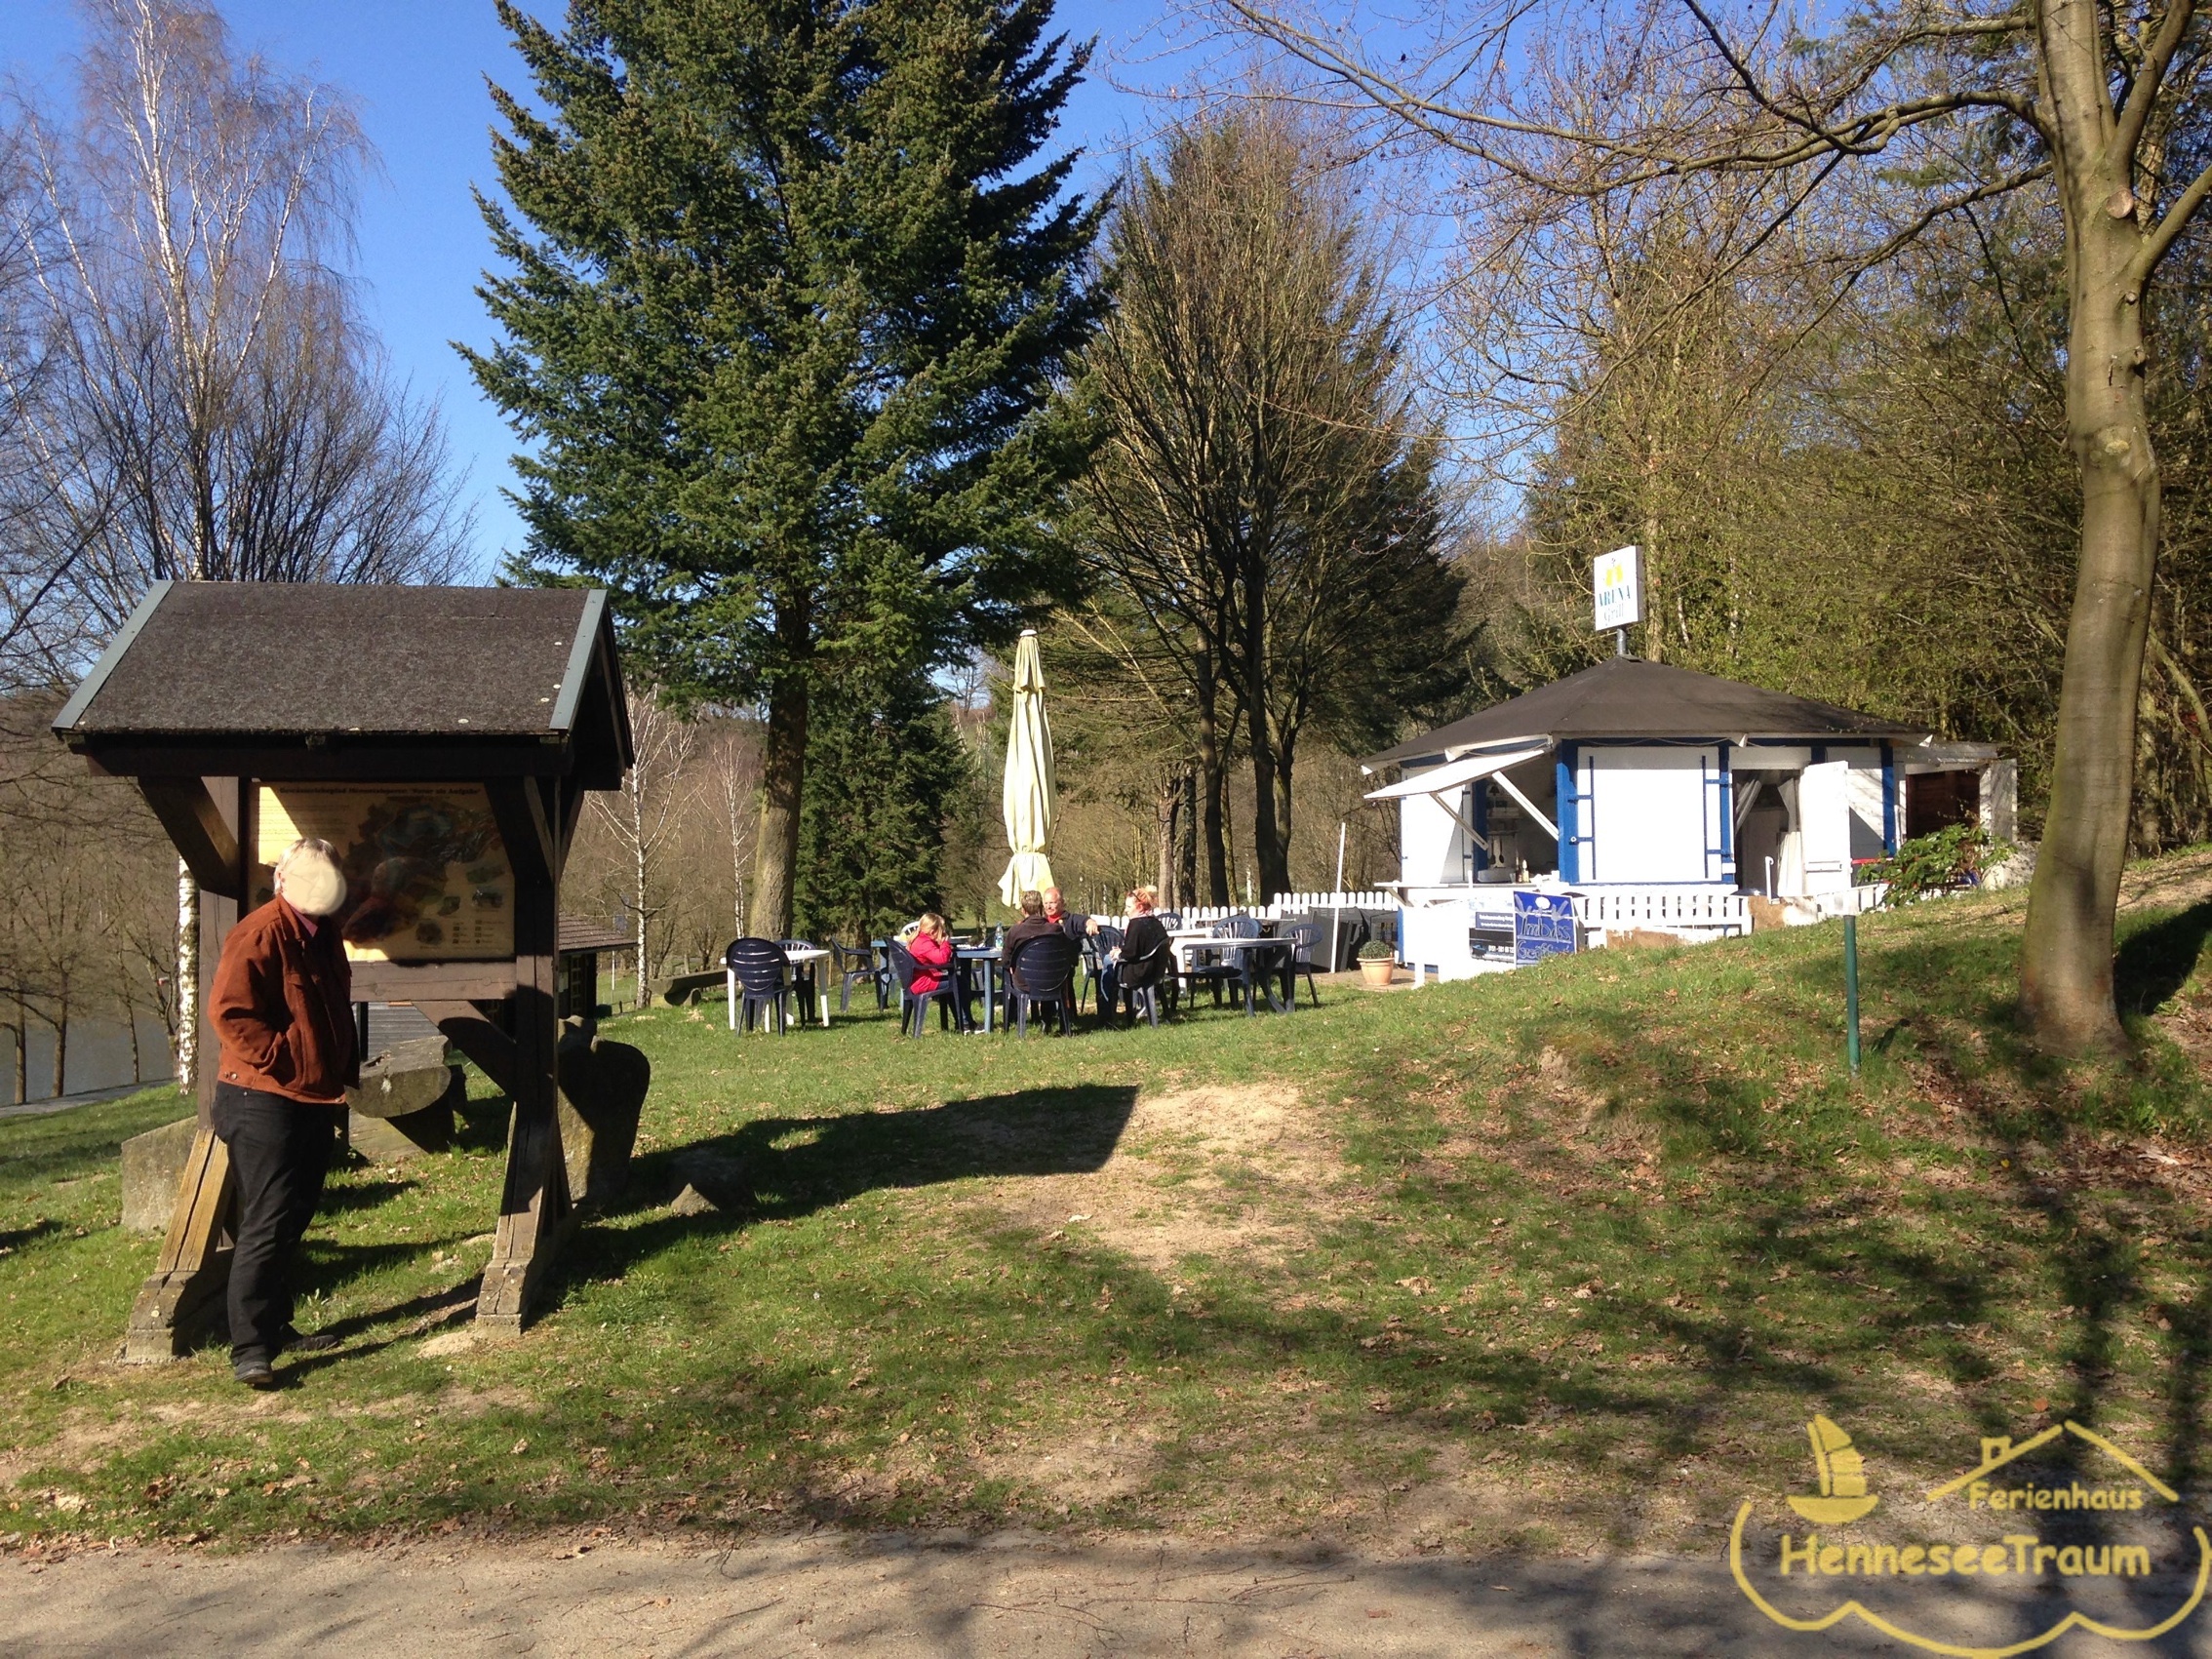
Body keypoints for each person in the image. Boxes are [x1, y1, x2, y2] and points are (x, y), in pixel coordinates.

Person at [206, 837, 358, 1388]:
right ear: (283, 881)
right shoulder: (262, 930)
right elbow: (229, 1010)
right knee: (266, 1220)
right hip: (262, 1097)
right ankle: (249, 1347)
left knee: (293, 1212)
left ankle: (274, 1327)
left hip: (311, 1096)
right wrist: (281, 1058)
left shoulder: (323, 932)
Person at [1115, 888, 1174, 1024]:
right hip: (1156, 971)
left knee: (1107, 963)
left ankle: (1107, 1013)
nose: (1126, 910)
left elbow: (1129, 953)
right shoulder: (1155, 922)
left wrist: (1117, 953)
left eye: (1129, 906)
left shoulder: (1136, 924)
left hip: (1140, 972)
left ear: (1139, 906)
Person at [904, 912, 971, 1031]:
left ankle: (962, 1022)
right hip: (923, 982)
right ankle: (965, 1022)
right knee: (960, 983)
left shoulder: (918, 938)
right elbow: (942, 960)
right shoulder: (924, 943)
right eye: (942, 930)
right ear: (933, 931)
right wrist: (945, 942)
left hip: (917, 980)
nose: (943, 933)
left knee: (955, 983)